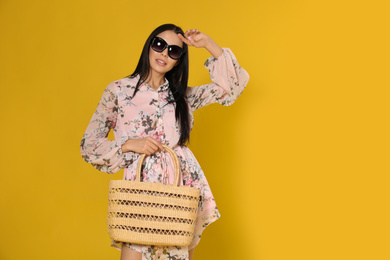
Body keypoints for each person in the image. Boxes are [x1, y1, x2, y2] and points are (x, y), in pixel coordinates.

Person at [80, 23, 249, 260]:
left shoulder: (182, 96)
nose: (164, 54)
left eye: (174, 51)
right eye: (159, 45)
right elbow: (89, 145)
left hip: (181, 188)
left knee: (178, 252)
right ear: (149, 46)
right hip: (141, 189)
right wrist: (129, 145)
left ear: (178, 60)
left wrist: (209, 44)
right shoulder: (118, 91)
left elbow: (233, 87)